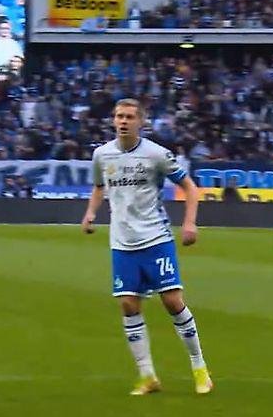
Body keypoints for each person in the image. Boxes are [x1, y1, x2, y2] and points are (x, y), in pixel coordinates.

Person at [81, 99, 211, 396]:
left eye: (129, 117)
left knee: (172, 302)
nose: (123, 121)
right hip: (122, 242)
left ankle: (199, 368)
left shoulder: (156, 154)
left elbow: (190, 187)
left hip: (156, 239)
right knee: (128, 305)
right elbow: (99, 186)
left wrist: (190, 223)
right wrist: (90, 213)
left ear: (141, 122)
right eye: (119, 116)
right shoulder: (102, 154)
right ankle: (147, 376)